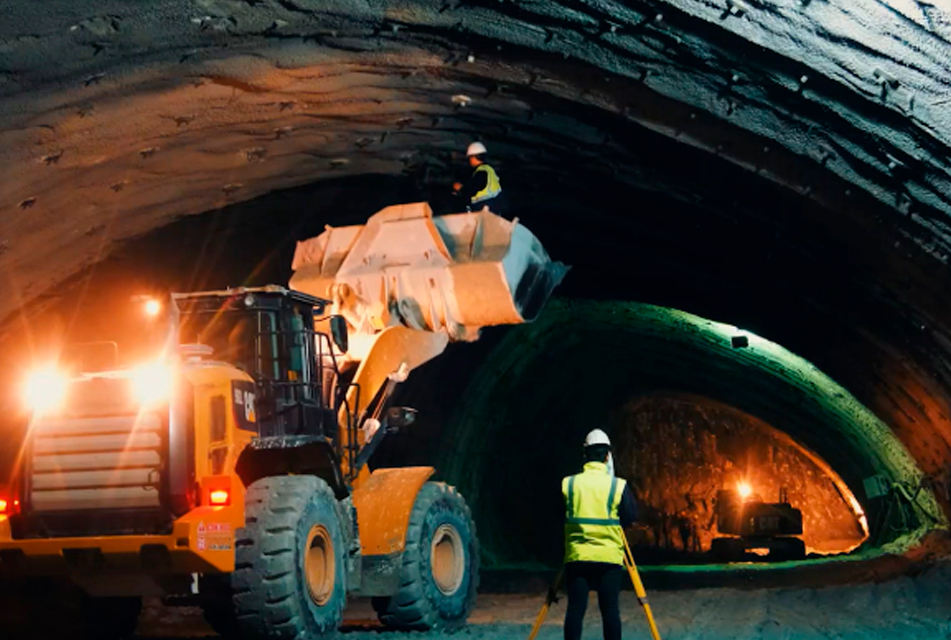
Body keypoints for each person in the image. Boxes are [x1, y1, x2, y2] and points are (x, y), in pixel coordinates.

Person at [562, 429, 638, 640]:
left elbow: (558, 513)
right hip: (609, 559)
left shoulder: (569, 484)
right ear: (607, 455)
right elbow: (630, 516)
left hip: (578, 557)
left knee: (576, 610)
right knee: (610, 611)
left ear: (585, 454)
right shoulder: (618, 486)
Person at [452, 141, 505, 214]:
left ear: (474, 157)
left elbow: (472, 189)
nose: (470, 161)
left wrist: (460, 188)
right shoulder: (489, 170)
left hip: (484, 209)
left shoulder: (481, 172)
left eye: (470, 158)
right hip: (494, 208)